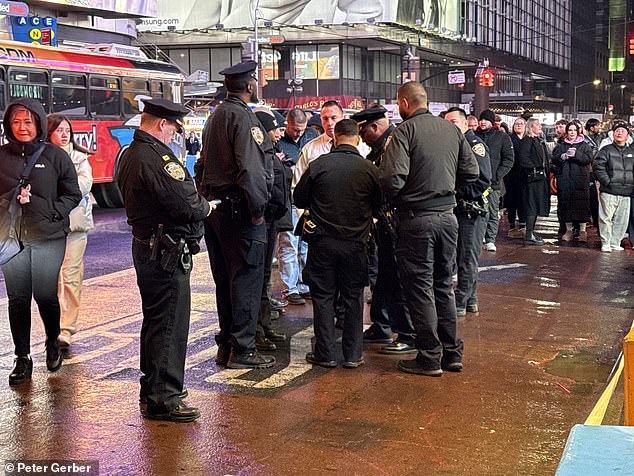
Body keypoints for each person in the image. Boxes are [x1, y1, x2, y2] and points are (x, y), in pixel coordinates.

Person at [118, 98, 214, 422]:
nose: (175, 133)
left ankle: (152, 391)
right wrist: (208, 208)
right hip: (166, 252)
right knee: (170, 324)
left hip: (148, 247)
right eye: (174, 127)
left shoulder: (131, 154)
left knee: (156, 321)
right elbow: (186, 204)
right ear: (162, 124)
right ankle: (166, 398)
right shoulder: (158, 158)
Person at [379, 82, 479, 377]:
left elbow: (392, 179)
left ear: (404, 103)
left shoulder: (404, 132)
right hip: (448, 218)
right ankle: (451, 353)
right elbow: (472, 172)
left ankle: (428, 356)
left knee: (420, 287)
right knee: (443, 286)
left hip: (417, 219)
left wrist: (404, 198)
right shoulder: (451, 130)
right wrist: (445, 189)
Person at [197, 61, 276, 369]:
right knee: (246, 280)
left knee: (225, 281)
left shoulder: (215, 116)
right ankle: (243, 350)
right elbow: (252, 170)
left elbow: (201, 165)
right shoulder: (245, 119)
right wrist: (257, 211)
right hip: (240, 212)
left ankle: (227, 345)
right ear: (249, 85)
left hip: (216, 211)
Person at [0, 99, 81, 385]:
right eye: (17, 122)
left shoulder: (56, 156)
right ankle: (22, 358)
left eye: (28, 121)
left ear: (38, 122)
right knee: (18, 299)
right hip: (12, 239)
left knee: (45, 294)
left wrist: (53, 212)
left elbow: (73, 193)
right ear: (9, 124)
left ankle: (51, 340)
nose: (23, 127)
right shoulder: (1, 156)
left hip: (48, 236)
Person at [294, 119, 381, 368]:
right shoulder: (369, 169)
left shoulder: (319, 164)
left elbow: (299, 199)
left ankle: (326, 353)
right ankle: (353, 355)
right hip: (356, 244)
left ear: (336, 138)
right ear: (356, 139)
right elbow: (379, 205)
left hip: (323, 243)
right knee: (353, 297)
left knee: (323, 297)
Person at [350, 106, 416, 354]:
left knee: (399, 278)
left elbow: (393, 183)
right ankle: (381, 325)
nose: (362, 137)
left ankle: (408, 332)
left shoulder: (393, 144)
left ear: (375, 127)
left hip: (399, 222)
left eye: (363, 131)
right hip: (387, 223)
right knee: (385, 277)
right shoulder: (380, 148)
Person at [47, 114, 94, 348]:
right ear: (48, 133)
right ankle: (52, 326)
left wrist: (59, 189)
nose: (64, 134)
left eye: (67, 130)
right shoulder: (39, 156)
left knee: (71, 275)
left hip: (75, 224)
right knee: (50, 279)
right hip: (46, 226)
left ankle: (66, 329)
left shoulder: (80, 156)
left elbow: (84, 184)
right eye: (59, 130)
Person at [444, 107, 492, 317]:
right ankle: (470, 299)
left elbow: (482, 180)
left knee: (466, 256)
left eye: (453, 122)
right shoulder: (455, 144)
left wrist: (457, 192)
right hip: (461, 208)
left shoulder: (474, 145)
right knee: (463, 255)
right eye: (446, 122)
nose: (449, 126)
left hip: (471, 208)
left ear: (465, 123)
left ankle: (462, 300)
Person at [253, 110, 289, 351]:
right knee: (259, 280)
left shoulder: (270, 152)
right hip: (264, 222)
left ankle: (264, 327)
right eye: (275, 129)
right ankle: (259, 331)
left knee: (265, 278)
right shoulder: (262, 153)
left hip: (271, 222)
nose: (279, 133)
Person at [276, 108, 319, 305]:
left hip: (309, 200)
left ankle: (304, 284)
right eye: (294, 130)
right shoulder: (278, 141)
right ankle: (289, 288)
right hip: (289, 201)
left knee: (306, 244)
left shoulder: (312, 137)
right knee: (288, 245)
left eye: (301, 130)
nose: (298, 133)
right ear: (287, 125)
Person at [476, 109, 514, 252]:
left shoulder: (502, 137)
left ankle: (490, 239)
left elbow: (509, 159)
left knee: (492, 211)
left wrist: (497, 175)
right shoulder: (474, 136)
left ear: (492, 122)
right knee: (477, 211)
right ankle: (479, 238)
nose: (483, 122)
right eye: (481, 119)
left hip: (493, 183)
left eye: (486, 120)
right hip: (476, 182)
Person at [593, 122, 634, 252]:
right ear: (613, 134)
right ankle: (606, 242)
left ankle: (615, 242)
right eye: (617, 131)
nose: (620, 133)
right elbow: (598, 166)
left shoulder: (631, 152)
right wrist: (607, 181)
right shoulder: (606, 150)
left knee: (622, 220)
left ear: (628, 136)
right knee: (606, 218)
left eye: (623, 131)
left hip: (626, 191)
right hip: (609, 190)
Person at [552, 122, 593, 243]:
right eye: (570, 130)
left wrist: (576, 154)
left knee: (582, 205)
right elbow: (554, 159)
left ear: (578, 131)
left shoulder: (585, 145)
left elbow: (588, 159)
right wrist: (562, 157)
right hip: (565, 180)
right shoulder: (561, 145)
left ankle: (582, 231)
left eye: (574, 130)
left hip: (580, 180)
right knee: (566, 205)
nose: (572, 132)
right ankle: (568, 230)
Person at [518, 118, 551, 246]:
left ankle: (531, 232)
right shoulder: (528, 140)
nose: (540, 126)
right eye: (537, 124)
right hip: (532, 179)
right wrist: (535, 168)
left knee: (536, 205)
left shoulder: (539, 140)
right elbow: (524, 158)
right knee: (532, 205)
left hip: (540, 178)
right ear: (531, 127)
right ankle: (529, 233)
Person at [506, 117, 527, 238]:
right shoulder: (509, 139)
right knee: (512, 201)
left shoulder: (527, 139)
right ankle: (512, 226)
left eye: (521, 124)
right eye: (516, 124)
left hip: (524, 175)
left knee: (523, 200)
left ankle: (523, 225)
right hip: (512, 174)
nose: (518, 126)